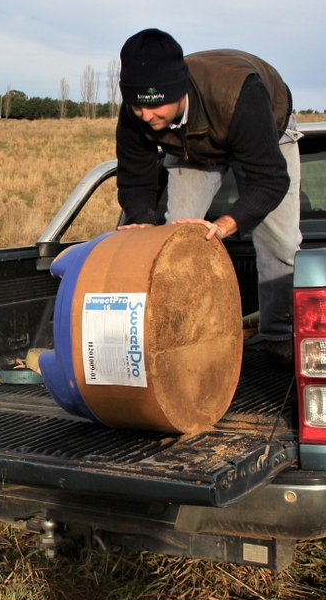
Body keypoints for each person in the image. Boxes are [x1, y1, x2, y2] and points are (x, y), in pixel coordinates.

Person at [114, 28, 302, 360]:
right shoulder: (136, 114)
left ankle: (279, 337)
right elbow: (135, 179)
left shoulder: (241, 95)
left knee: (280, 240)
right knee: (176, 236)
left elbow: (270, 180)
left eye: (156, 107)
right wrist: (142, 221)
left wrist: (228, 223)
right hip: (191, 146)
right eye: (137, 107)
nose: (146, 116)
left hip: (265, 130)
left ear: (179, 91)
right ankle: (182, 338)